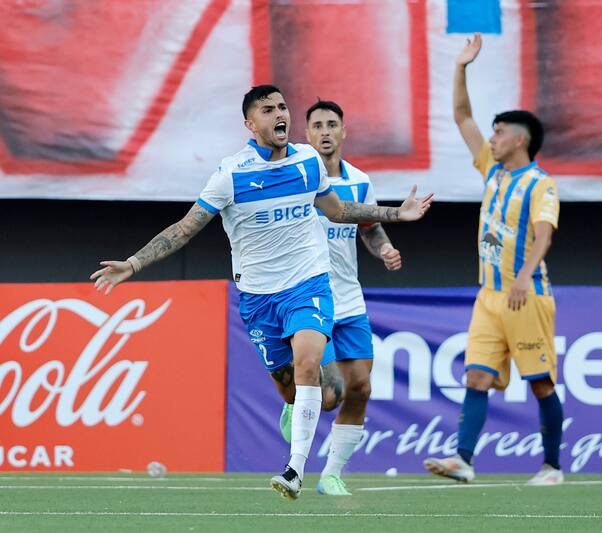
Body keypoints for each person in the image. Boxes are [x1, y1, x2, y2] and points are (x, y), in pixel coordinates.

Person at [90, 85, 433, 500]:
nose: (279, 114)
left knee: (312, 366)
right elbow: (184, 228)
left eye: (282, 107)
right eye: (267, 110)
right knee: (305, 392)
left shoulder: (308, 161)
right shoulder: (231, 174)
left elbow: (338, 211)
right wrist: (133, 263)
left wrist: (399, 213)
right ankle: (294, 406)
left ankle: (295, 470)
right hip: (258, 298)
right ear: (251, 125)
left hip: (308, 282)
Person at [423, 34, 564, 486]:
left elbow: (544, 233)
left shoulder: (541, 183)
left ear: (520, 139)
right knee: (477, 378)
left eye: (500, 131)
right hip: (490, 296)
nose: (492, 136)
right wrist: (462, 66)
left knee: (540, 383)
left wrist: (523, 274)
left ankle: (552, 467)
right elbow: (462, 116)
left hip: (528, 296)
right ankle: (463, 460)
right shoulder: (492, 169)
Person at [276, 100, 403, 497]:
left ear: (344, 132)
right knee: (329, 396)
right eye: (317, 126)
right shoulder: (293, 177)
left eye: (333, 124)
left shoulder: (359, 182)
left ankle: (332, 474)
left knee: (361, 387)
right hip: (308, 294)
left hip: (348, 298)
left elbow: (369, 228)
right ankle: (295, 402)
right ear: (307, 134)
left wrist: (383, 248)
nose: (326, 131)